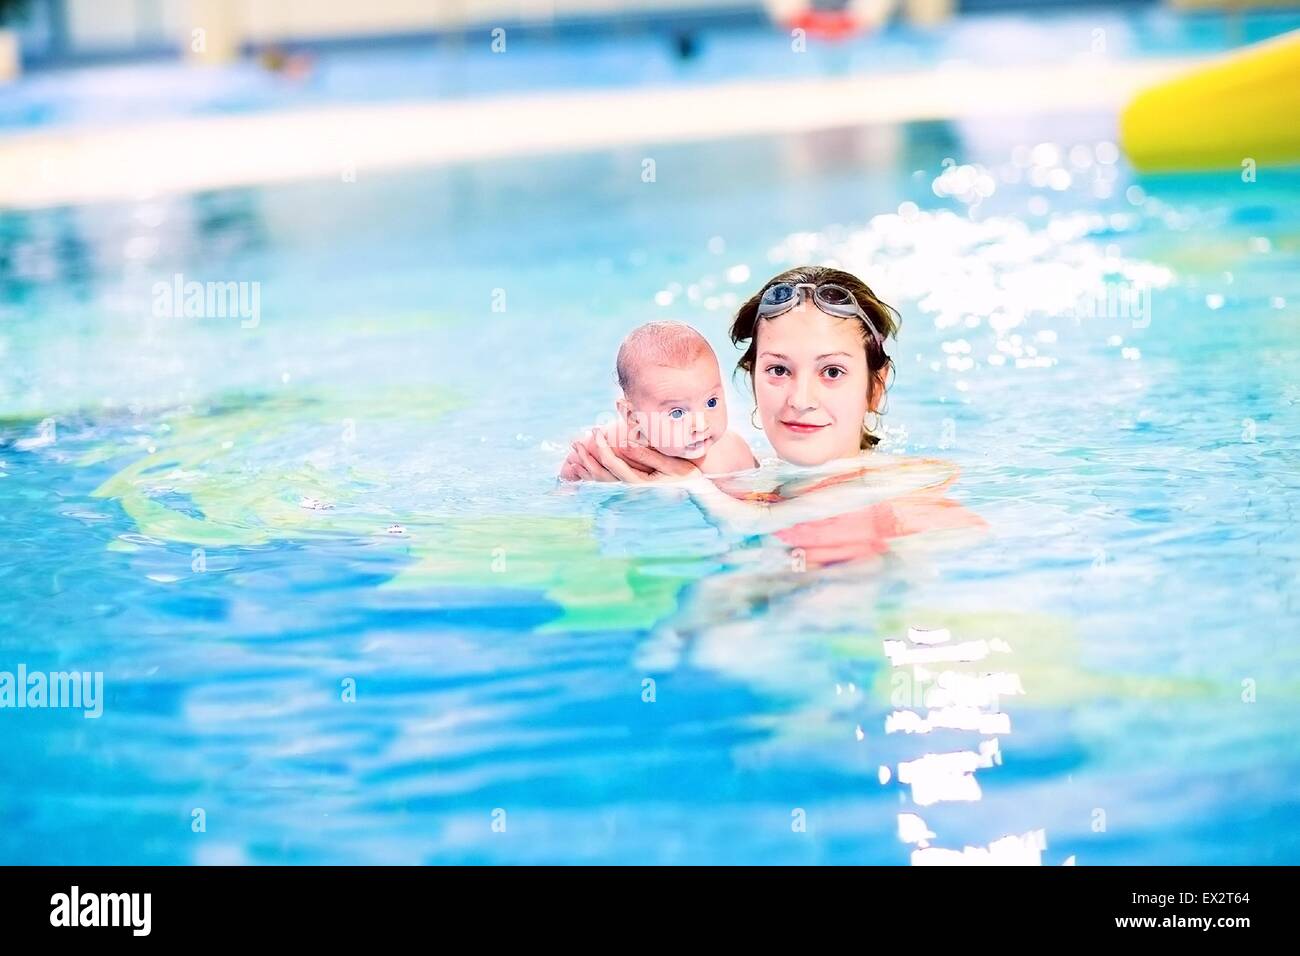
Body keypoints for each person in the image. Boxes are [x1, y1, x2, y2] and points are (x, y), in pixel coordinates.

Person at [564, 265, 985, 566]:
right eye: (778, 370)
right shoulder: (755, 477)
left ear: (874, 388)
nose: (800, 399)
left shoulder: (905, 482)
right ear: (751, 379)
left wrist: (692, 487)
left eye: (832, 372)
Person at [560, 320, 756, 482]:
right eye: (677, 413)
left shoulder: (731, 456)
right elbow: (571, 474)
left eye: (711, 402)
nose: (701, 425)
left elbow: (756, 505)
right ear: (633, 417)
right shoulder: (612, 447)